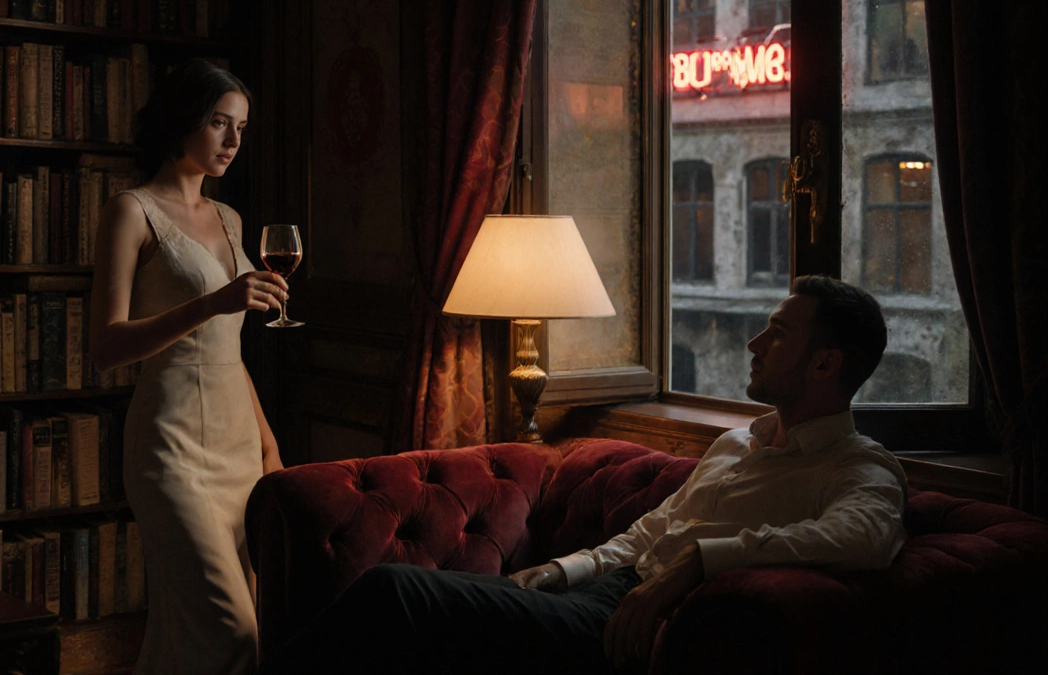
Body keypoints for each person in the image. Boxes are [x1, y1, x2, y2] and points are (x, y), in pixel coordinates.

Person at [263, 275, 908, 675]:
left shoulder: (859, 467)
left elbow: (864, 540)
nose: (754, 344)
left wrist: (698, 565)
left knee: (395, 594)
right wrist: (565, 568)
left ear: (825, 364)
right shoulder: (739, 442)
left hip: (636, 626)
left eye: (778, 334)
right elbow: (653, 529)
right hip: (599, 590)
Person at [89, 58, 288, 675]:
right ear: (183, 121)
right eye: (219, 123)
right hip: (171, 448)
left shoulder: (229, 218)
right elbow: (105, 347)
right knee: (232, 631)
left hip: (238, 446)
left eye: (242, 128)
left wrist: (269, 443)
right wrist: (215, 301)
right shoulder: (132, 211)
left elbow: (229, 349)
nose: (233, 141)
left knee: (204, 628)